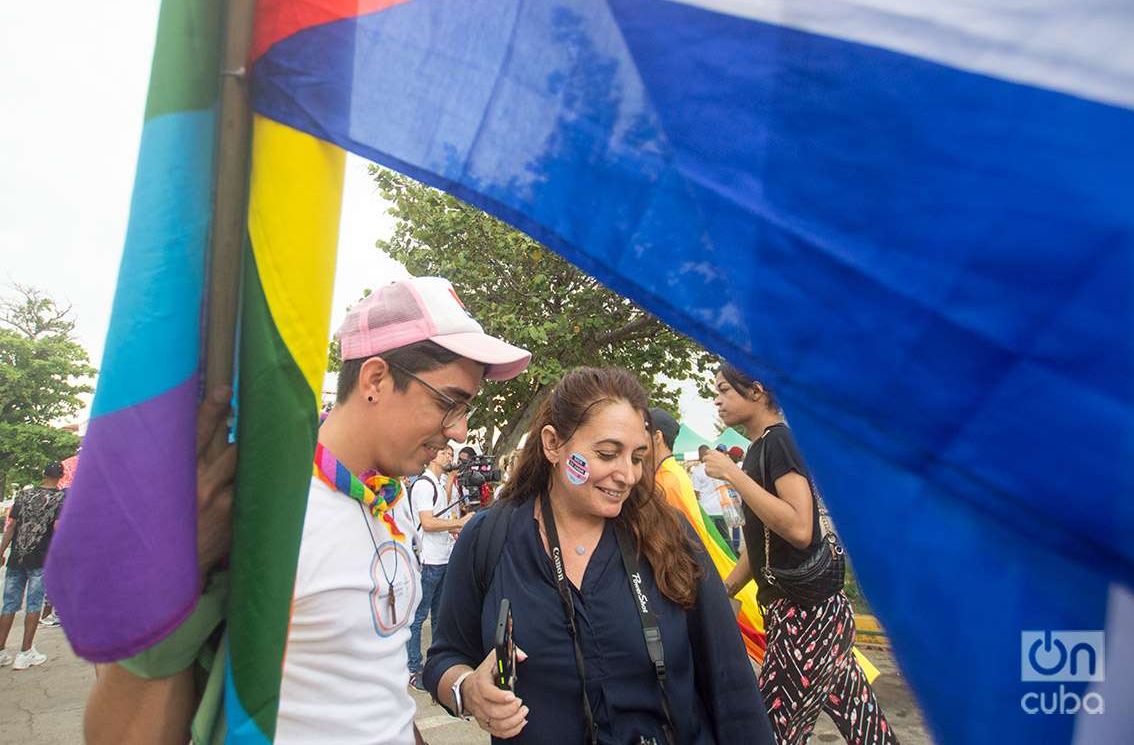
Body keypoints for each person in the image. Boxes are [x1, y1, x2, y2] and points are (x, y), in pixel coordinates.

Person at [85, 277, 531, 745]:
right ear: (375, 379)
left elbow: (373, 689)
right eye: (449, 403)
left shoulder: (386, 500)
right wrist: (169, 577)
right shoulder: (261, 508)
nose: (460, 432)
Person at [425, 367, 776, 744]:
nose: (627, 475)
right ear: (552, 445)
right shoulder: (488, 538)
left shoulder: (669, 533)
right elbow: (445, 658)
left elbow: (731, 683)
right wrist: (467, 690)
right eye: (608, 454)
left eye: (638, 457)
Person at [708, 363, 897, 745]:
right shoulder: (759, 449)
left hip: (804, 617)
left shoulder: (778, 441)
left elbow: (798, 528)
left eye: (725, 389)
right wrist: (724, 589)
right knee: (865, 727)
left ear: (757, 391)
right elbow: (761, 541)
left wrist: (732, 475)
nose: (717, 399)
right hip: (812, 611)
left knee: (771, 732)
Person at [407, 445, 471, 691]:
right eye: (445, 452)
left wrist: (457, 527)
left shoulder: (440, 484)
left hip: (443, 558)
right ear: (432, 455)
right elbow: (428, 522)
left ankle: (436, 664)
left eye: (451, 453)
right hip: (430, 560)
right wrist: (459, 522)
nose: (450, 456)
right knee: (419, 616)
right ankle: (413, 669)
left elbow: (441, 520)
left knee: (439, 615)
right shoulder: (424, 485)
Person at [0, 461, 66, 670]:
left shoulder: (24, 495)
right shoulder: (59, 498)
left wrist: (1, 551)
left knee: (9, 605)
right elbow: (57, 528)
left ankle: (1, 650)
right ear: (60, 477)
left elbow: (11, 527)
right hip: (40, 559)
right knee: (34, 605)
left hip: (17, 557)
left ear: (43, 474)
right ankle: (25, 652)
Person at [688, 445, 730, 542]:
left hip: (707, 512)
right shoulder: (719, 467)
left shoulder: (698, 471)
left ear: (700, 454)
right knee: (726, 540)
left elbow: (695, 494)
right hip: (721, 510)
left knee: (711, 541)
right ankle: (732, 557)